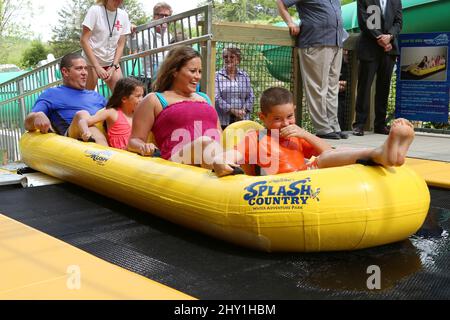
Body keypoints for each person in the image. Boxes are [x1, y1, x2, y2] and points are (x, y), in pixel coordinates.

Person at [213, 87, 415, 177]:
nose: (285, 123)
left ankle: (388, 154)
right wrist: (221, 162)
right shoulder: (255, 139)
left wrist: (304, 134)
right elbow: (231, 155)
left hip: (307, 181)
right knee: (325, 159)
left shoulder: (296, 138)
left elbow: (327, 151)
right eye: (277, 119)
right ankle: (380, 153)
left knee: (328, 157)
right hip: (277, 188)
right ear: (262, 117)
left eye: (290, 117)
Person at [128, 45, 223, 168]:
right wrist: (144, 146)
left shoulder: (205, 98)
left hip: (212, 159)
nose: (198, 76)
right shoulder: (154, 100)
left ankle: (223, 170)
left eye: (200, 71)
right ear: (175, 71)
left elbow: (219, 133)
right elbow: (133, 140)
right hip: (176, 162)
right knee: (204, 143)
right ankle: (222, 170)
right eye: (193, 71)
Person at [277, 0, 348, 140]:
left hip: (336, 43)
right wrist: (290, 22)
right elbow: (281, 2)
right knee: (318, 87)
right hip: (315, 41)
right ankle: (323, 128)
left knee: (332, 87)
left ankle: (334, 126)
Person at [24, 53, 107, 145]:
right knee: (82, 115)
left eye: (85, 68)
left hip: (103, 133)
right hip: (75, 139)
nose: (84, 73)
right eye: (79, 68)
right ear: (65, 72)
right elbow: (27, 124)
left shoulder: (96, 96)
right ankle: (107, 154)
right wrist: (36, 116)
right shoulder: (51, 94)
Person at [352, 0, 403, 136]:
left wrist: (390, 37)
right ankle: (359, 124)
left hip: (389, 50)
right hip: (369, 49)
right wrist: (380, 39)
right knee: (364, 87)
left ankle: (380, 124)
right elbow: (365, 22)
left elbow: (398, 23)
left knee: (384, 87)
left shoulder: (396, 1)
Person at [75, 77, 144, 150]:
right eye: (138, 96)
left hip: (135, 154)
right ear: (124, 99)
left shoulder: (138, 115)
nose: (142, 99)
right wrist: (86, 131)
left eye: (142, 95)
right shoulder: (112, 112)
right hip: (121, 155)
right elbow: (83, 121)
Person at [80, 0, 131, 91]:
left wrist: (114, 66)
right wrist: (97, 67)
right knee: (87, 95)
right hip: (91, 62)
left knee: (121, 94)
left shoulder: (123, 15)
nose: (119, 1)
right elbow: (84, 40)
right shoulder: (95, 11)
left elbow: (120, 44)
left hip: (111, 62)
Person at [215, 47, 255, 130]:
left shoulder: (244, 76)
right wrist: (233, 111)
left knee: (242, 142)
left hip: (242, 119)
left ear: (238, 60)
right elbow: (216, 97)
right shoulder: (217, 76)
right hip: (224, 120)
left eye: (232, 57)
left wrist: (243, 111)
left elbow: (251, 96)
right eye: (226, 57)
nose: (228, 59)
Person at [136, 2, 173, 84]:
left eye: (167, 16)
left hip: (166, 77)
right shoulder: (145, 33)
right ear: (154, 17)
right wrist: (132, 34)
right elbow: (132, 46)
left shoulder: (169, 35)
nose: (164, 18)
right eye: (161, 15)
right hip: (150, 78)